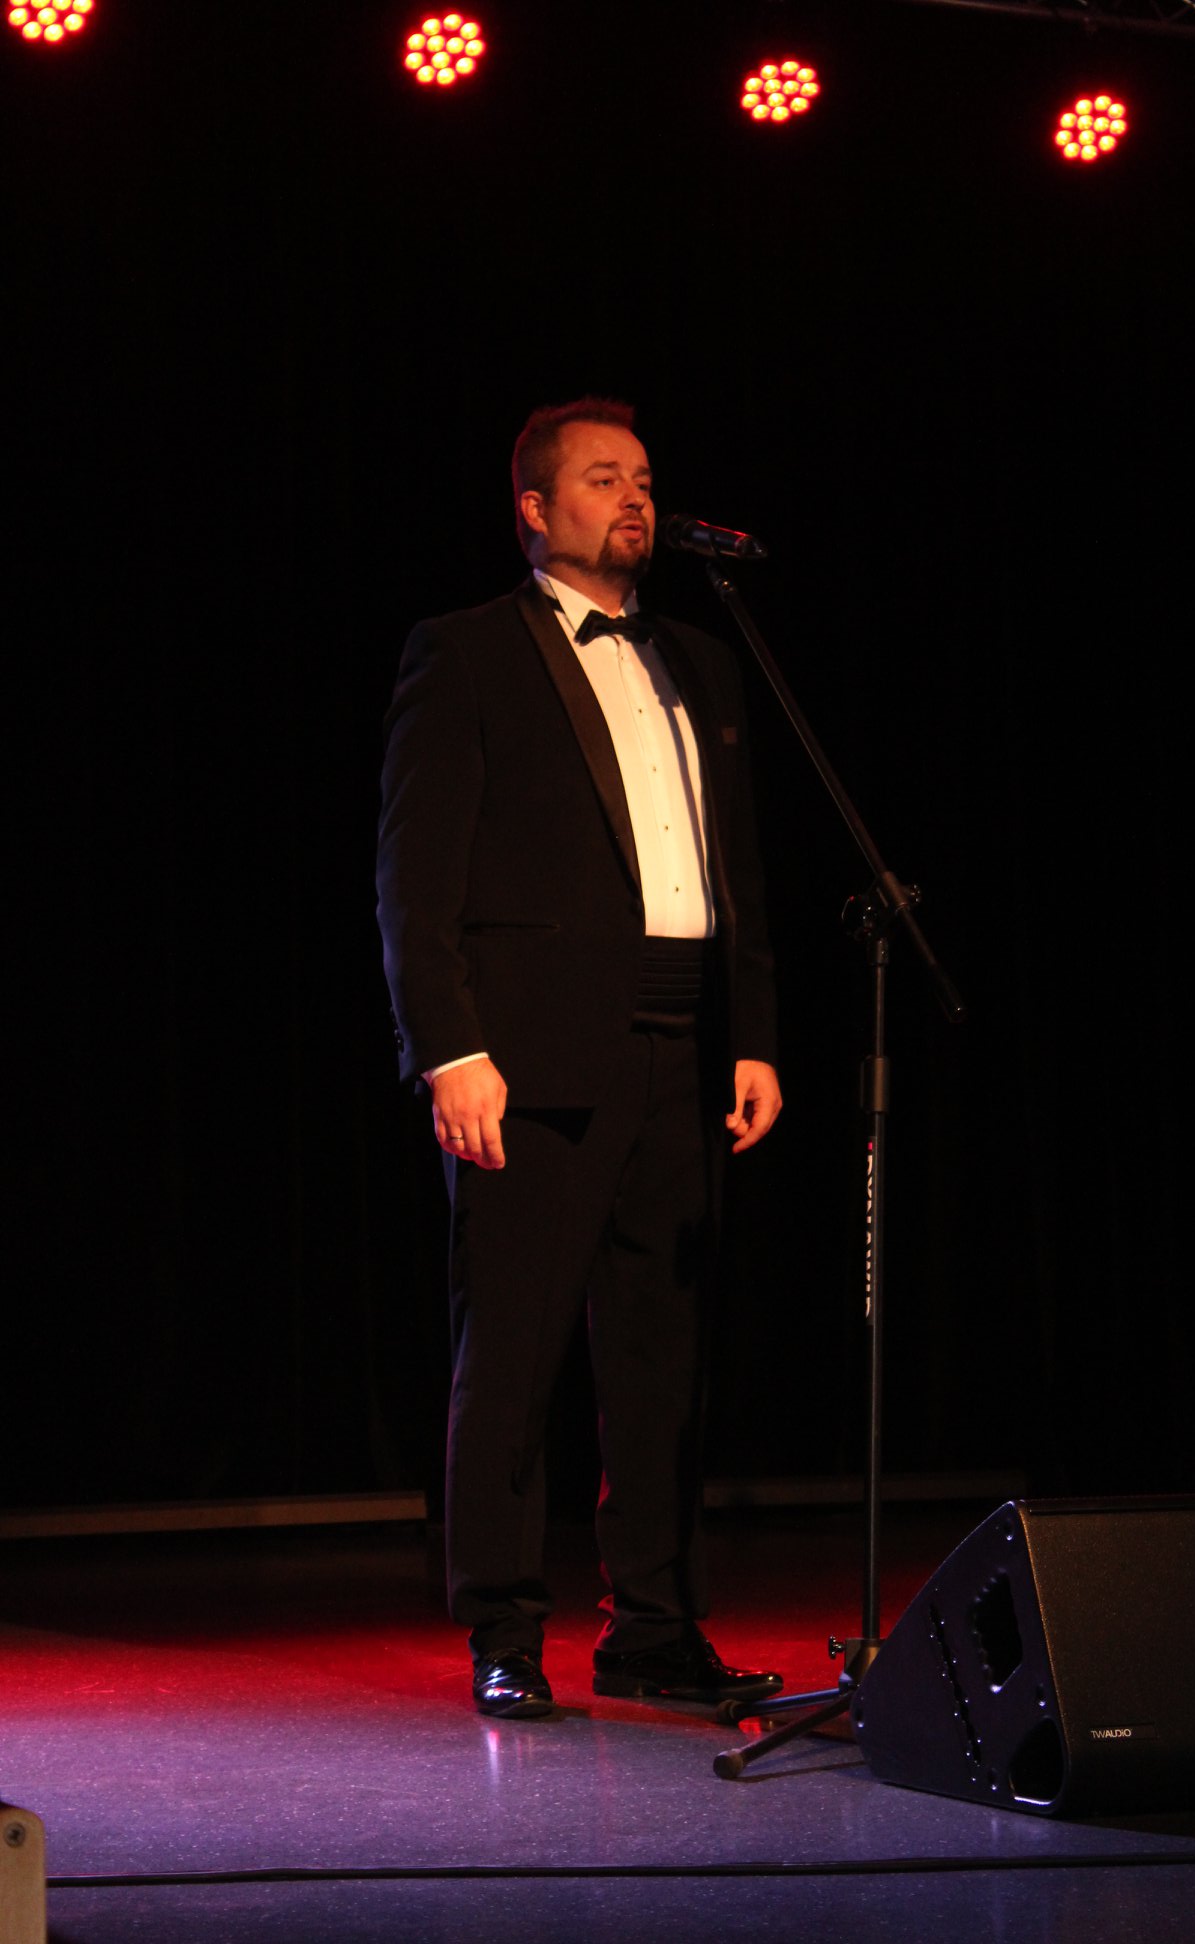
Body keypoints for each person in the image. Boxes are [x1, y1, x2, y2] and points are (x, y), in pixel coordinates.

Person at [377, 397, 784, 1718]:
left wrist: (752, 1038)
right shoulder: (465, 653)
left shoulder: (702, 662)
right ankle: (503, 1628)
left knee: (662, 1360)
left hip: (683, 1049)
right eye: (603, 479)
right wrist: (450, 1048)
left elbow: (736, 872)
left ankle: (654, 1628)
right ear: (536, 512)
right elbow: (413, 880)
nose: (635, 499)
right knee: (513, 1356)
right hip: (531, 1061)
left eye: (645, 479)